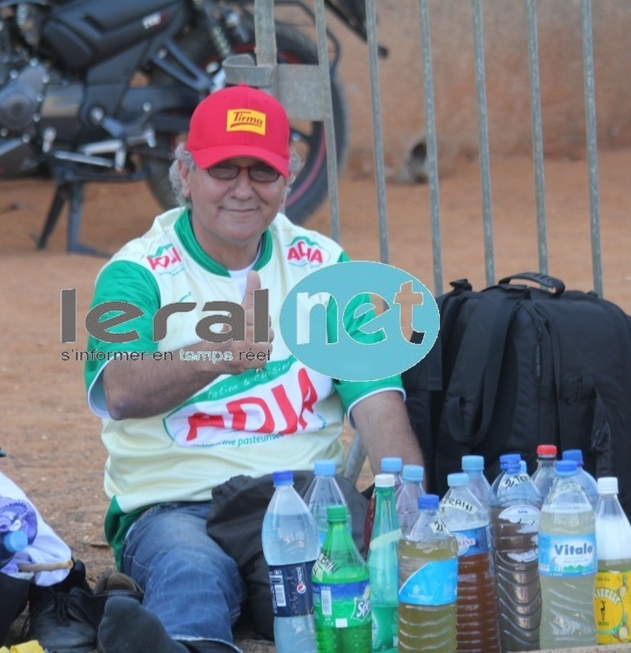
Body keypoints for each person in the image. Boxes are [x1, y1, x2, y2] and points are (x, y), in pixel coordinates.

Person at [82, 84, 425, 653]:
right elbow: (119, 390)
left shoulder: (326, 266)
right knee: (191, 581)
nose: (243, 190)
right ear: (185, 172)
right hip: (177, 503)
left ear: (288, 179)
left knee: (340, 609)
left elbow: (377, 405)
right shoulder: (133, 272)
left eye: (262, 172)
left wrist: (408, 509)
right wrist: (219, 355)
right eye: (224, 170)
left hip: (300, 496)